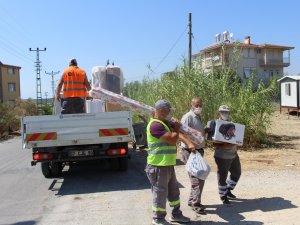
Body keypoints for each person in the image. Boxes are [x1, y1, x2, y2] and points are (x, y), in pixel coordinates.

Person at [145, 99, 193, 225]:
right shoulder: (155, 125)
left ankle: (176, 214)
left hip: (167, 165)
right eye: (168, 111)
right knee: (160, 193)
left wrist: (188, 141)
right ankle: (158, 218)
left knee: (174, 192)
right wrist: (176, 128)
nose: (169, 113)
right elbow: (172, 139)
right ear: (160, 110)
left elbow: (177, 135)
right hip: (158, 165)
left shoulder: (164, 123)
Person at [206, 105, 241, 205]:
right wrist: (225, 144)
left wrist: (236, 142)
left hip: (233, 153)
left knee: (237, 173)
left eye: (227, 112)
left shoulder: (232, 124)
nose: (225, 114)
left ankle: (228, 190)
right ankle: (223, 196)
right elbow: (212, 142)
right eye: (223, 112)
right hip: (222, 156)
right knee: (222, 176)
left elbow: (236, 138)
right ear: (219, 113)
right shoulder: (214, 124)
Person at [180, 97, 206, 215]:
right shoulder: (187, 117)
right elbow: (181, 133)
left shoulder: (198, 117)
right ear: (191, 105)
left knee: (200, 177)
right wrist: (190, 145)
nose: (198, 107)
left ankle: (192, 201)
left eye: (200, 105)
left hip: (198, 150)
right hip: (190, 151)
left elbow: (194, 132)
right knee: (196, 179)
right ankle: (196, 204)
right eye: (196, 105)